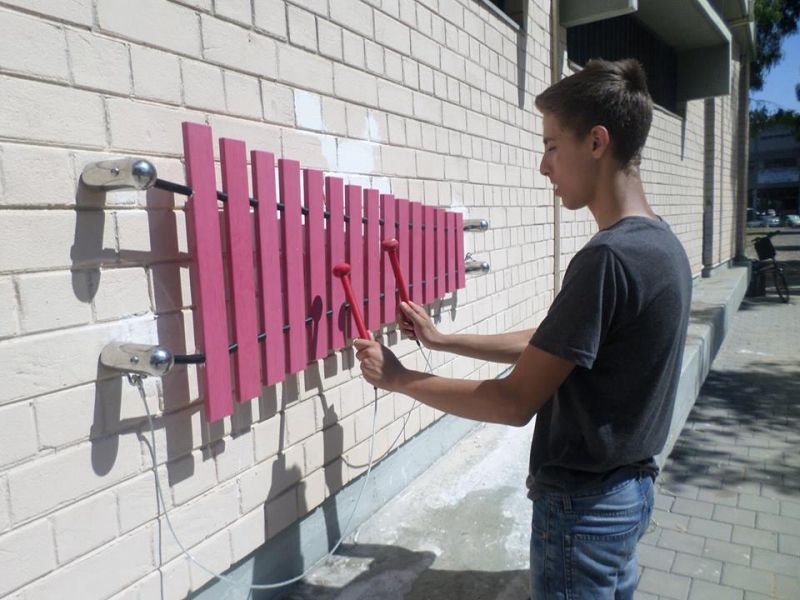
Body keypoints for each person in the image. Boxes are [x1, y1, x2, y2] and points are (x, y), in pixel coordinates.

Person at [353, 58, 692, 599]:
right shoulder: (660, 243)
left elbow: (513, 403)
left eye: (553, 144)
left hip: (582, 513)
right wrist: (444, 340)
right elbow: (558, 341)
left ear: (597, 142)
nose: (543, 165)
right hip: (627, 496)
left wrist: (399, 378)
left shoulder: (608, 258)